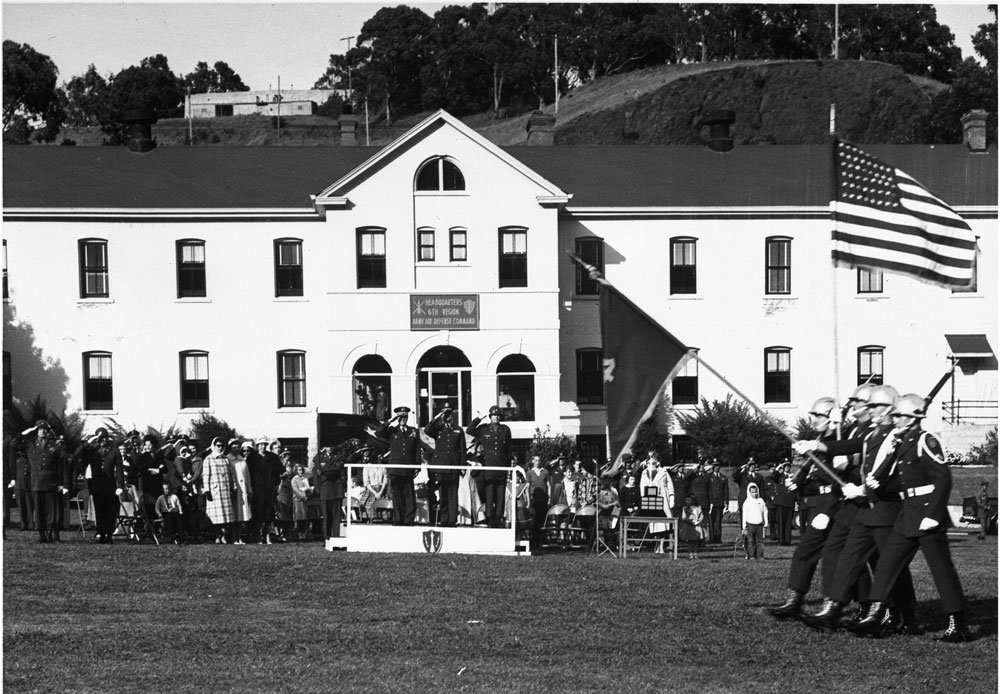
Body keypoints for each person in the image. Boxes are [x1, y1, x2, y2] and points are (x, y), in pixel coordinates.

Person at [846, 394, 972, 643]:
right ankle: (876, 614)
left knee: (941, 570)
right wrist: (871, 483)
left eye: (901, 416)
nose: (897, 420)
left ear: (913, 417)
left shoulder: (926, 440)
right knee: (887, 563)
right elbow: (885, 473)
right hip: (907, 513)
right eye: (896, 416)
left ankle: (958, 624)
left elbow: (943, 479)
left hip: (927, 512)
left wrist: (934, 515)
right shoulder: (900, 441)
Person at [797, 386, 919, 636]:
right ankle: (832, 612)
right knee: (848, 559)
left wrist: (865, 490)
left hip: (887, 510)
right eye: (871, 406)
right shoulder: (872, 435)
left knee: (891, 567)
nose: (872, 411)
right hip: (865, 511)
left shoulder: (900, 438)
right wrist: (816, 446)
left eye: (877, 407)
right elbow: (848, 444)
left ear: (891, 409)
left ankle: (905, 616)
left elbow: (900, 480)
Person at [766, 396, 846, 620]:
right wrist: (800, 483)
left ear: (831, 416)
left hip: (835, 505)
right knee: (805, 552)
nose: (813, 420)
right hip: (818, 503)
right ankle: (795, 600)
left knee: (837, 558)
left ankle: (838, 605)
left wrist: (827, 511)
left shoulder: (838, 441)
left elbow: (839, 480)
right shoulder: (820, 441)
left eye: (818, 415)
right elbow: (817, 478)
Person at [466, 405, 513, 528]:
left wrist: (508, 467)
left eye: (498, 415)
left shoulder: (505, 429)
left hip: (501, 466)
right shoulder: (483, 429)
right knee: (490, 494)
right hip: (489, 466)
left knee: (500, 495)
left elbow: (508, 449)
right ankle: (490, 519)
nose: (496, 417)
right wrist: (479, 418)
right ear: (490, 416)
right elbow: (469, 430)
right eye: (493, 415)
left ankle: (499, 519)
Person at [24, 421, 70, 543]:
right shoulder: (30, 444)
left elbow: (61, 465)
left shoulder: (54, 445)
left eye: (45, 429)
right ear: (36, 430)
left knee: (52, 511)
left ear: (48, 431)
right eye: (40, 429)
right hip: (36, 481)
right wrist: (28, 431)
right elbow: (14, 444)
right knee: (38, 510)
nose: (42, 431)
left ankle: (51, 532)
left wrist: (62, 484)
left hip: (51, 482)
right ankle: (41, 534)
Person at [77, 427, 123, 545]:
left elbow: (119, 469)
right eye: (99, 438)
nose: (102, 440)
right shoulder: (92, 450)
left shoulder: (114, 451)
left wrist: (120, 485)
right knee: (99, 511)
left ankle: (109, 535)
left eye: (104, 438)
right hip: (97, 485)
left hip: (109, 485)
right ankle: (101, 534)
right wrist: (88, 442)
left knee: (110, 511)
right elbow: (77, 455)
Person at [378, 406, 421, 526]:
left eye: (405, 417)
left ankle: (409, 520)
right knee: (397, 496)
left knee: (409, 496)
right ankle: (398, 519)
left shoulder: (413, 431)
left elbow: (417, 450)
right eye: (400, 417)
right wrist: (390, 420)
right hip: (396, 468)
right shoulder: (392, 430)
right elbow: (379, 432)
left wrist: (417, 466)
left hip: (408, 468)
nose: (403, 419)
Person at [424, 407, 466, 527]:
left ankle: (452, 519)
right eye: (445, 415)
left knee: (453, 493)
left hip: (453, 465)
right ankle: (444, 518)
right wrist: (437, 417)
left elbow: (462, 449)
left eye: (449, 415)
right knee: (443, 494)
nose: (448, 417)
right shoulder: (438, 429)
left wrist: (462, 465)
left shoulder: (458, 430)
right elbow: (427, 430)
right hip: (441, 465)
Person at [202, 437, 236, 544]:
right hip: (215, 492)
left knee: (225, 517)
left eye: (222, 446)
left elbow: (231, 475)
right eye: (218, 446)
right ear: (214, 446)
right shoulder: (208, 459)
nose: (220, 448)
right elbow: (206, 477)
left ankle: (223, 536)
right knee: (215, 518)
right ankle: (217, 535)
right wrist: (207, 491)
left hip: (225, 491)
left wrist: (233, 488)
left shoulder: (226, 459)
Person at [249, 437, 283, 544]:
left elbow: (280, 471)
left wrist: (277, 485)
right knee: (258, 512)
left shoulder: (272, 457)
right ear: (257, 446)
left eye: (264, 444)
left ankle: (267, 535)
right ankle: (258, 536)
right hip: (257, 489)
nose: (262, 447)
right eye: (260, 445)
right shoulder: (252, 458)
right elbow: (248, 475)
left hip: (269, 488)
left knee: (268, 513)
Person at [639, 451, 674, 554]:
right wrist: (644, 498)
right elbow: (642, 486)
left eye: (654, 459)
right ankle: (656, 544)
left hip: (663, 498)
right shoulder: (645, 472)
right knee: (654, 523)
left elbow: (670, 485)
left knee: (663, 523)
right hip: (651, 499)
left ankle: (662, 546)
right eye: (650, 459)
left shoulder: (664, 472)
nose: (652, 461)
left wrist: (672, 497)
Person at [314, 444, 347, 550]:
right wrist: (325, 468)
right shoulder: (319, 457)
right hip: (325, 490)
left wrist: (324, 470)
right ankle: (326, 539)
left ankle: (336, 539)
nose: (330, 447)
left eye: (332, 445)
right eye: (328, 445)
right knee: (326, 517)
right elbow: (316, 464)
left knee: (336, 517)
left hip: (336, 490)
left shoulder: (339, 457)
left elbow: (337, 469)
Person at [230, 441, 254, 544]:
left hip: (243, 490)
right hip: (234, 490)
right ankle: (233, 537)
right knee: (234, 515)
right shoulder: (228, 459)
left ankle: (239, 537)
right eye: (233, 447)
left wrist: (249, 490)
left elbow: (247, 476)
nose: (236, 449)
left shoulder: (242, 460)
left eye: (237, 447)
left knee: (241, 515)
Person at [525, 455, 550, 550]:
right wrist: (528, 501)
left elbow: (549, 485)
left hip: (543, 500)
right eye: (536, 460)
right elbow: (528, 487)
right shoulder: (529, 472)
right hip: (534, 500)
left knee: (542, 521)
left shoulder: (545, 472)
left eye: (539, 460)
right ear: (533, 461)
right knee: (534, 522)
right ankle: (534, 542)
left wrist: (549, 498)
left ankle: (541, 542)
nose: (538, 462)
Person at [770, 460, 796, 546]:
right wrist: (777, 469)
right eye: (785, 466)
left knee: (788, 522)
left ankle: (787, 540)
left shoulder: (793, 476)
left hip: (790, 502)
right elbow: (773, 477)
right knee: (781, 522)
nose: (787, 467)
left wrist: (797, 501)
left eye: (788, 466)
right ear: (783, 467)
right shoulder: (779, 476)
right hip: (781, 502)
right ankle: (781, 540)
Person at [742, 482, 768, 560]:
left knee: (760, 541)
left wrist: (766, 522)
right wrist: (744, 526)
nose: (754, 494)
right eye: (752, 492)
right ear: (749, 492)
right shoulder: (747, 502)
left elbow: (765, 511)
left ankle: (760, 555)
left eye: (756, 492)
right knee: (751, 541)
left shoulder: (761, 500)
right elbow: (744, 515)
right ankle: (751, 555)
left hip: (759, 525)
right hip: (750, 525)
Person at [706, 460, 728, 544]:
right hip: (711, 502)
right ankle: (712, 538)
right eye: (715, 466)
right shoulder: (709, 477)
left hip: (720, 502)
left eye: (718, 466)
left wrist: (726, 502)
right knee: (711, 521)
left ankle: (718, 538)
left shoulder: (723, 477)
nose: (716, 468)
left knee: (718, 521)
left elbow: (726, 491)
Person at [290, 463, 313, 540]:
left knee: (304, 517)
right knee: (299, 517)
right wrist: (302, 496)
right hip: (297, 500)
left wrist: (309, 493)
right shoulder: (294, 479)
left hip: (305, 500)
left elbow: (307, 488)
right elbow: (295, 490)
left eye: (301, 470)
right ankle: (299, 533)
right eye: (299, 470)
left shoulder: (304, 479)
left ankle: (304, 532)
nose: (300, 471)